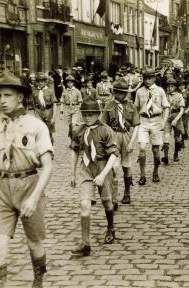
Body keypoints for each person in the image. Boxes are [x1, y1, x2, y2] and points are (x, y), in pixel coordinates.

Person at [0, 71, 53, 288]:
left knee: (34, 243)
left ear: (20, 97)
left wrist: (34, 197)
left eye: (7, 95)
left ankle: (38, 280)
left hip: (29, 187)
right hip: (1, 191)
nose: (2, 101)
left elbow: (47, 166)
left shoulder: (36, 125)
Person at [70, 100, 119, 256]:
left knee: (107, 202)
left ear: (98, 114)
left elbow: (114, 155)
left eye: (91, 114)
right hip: (86, 169)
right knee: (84, 204)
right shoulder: (79, 131)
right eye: (84, 114)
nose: (87, 117)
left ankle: (110, 227)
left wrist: (103, 174)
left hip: (103, 167)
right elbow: (75, 150)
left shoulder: (106, 131)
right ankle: (85, 244)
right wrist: (73, 173)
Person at [101, 78, 140, 205]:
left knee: (126, 165)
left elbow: (136, 125)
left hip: (126, 135)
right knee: (113, 166)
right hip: (113, 136)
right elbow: (103, 125)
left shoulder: (131, 106)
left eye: (122, 92)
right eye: (117, 92)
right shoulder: (109, 105)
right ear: (114, 92)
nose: (120, 95)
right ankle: (114, 196)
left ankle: (127, 192)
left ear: (126, 93)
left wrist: (132, 143)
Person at [134, 68, 170, 185]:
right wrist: (136, 122)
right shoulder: (139, 91)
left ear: (154, 78)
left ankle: (155, 172)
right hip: (144, 121)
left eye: (149, 78)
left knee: (155, 150)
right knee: (142, 148)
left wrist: (163, 123)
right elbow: (136, 107)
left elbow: (166, 107)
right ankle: (142, 174)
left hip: (156, 120)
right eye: (145, 78)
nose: (147, 80)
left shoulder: (160, 91)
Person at [162, 78, 185, 163]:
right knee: (166, 137)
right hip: (167, 116)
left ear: (175, 87)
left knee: (177, 138)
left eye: (172, 86)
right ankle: (165, 156)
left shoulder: (179, 95)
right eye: (168, 86)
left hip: (176, 116)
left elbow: (182, 109)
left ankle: (176, 154)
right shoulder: (164, 95)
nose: (170, 88)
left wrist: (176, 119)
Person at [31, 72, 57, 144]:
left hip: (49, 112)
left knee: (49, 133)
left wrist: (53, 118)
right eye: (38, 81)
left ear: (45, 82)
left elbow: (54, 104)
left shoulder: (50, 90)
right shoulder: (34, 91)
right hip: (39, 113)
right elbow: (33, 104)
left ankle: (50, 147)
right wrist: (36, 113)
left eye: (42, 81)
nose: (40, 83)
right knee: (40, 132)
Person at [60, 75, 83, 142]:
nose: (69, 84)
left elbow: (80, 102)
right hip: (67, 109)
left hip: (75, 109)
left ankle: (74, 141)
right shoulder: (64, 91)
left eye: (71, 82)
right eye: (68, 82)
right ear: (66, 83)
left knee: (73, 125)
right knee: (70, 126)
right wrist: (61, 113)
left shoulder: (77, 91)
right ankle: (71, 139)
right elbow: (62, 102)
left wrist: (80, 111)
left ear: (73, 83)